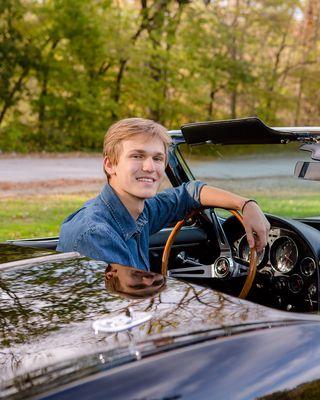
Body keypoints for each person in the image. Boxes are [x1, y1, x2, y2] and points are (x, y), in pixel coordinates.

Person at [57, 118, 270, 271]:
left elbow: (189, 193)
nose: (150, 167)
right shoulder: (97, 234)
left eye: (157, 159)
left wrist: (247, 205)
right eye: (137, 156)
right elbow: (123, 312)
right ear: (110, 165)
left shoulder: (139, 210)